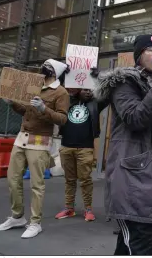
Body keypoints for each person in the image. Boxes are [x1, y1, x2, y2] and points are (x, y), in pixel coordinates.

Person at [92, 34, 152, 255]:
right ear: (138, 56)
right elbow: (136, 118)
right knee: (142, 244)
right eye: (150, 50)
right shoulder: (125, 82)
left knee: (130, 245)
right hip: (131, 179)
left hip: (144, 178)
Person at [0, 59, 70, 238]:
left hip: (40, 141)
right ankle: (17, 216)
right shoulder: (34, 85)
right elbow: (26, 111)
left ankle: (35, 222)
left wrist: (44, 108)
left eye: (48, 67)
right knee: (12, 179)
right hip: (21, 139)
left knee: (37, 184)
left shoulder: (61, 92)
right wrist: (12, 103)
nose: (43, 68)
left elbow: (62, 119)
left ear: (55, 72)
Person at [55, 88, 108, 221]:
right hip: (66, 146)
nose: (86, 92)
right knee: (69, 180)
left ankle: (88, 209)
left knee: (85, 180)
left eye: (88, 90)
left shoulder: (95, 103)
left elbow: (107, 95)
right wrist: (76, 93)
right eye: (83, 90)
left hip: (85, 148)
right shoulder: (68, 100)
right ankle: (69, 208)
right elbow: (61, 87)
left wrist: (97, 80)